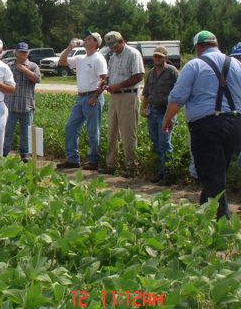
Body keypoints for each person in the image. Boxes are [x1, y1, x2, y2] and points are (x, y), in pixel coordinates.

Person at [163, 31, 241, 220]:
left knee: (212, 176)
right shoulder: (237, 65)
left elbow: (177, 97)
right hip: (235, 125)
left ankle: (222, 225)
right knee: (216, 172)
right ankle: (204, 216)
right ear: (216, 44)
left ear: (198, 48)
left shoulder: (195, 65)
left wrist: (167, 119)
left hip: (207, 126)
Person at [56, 31, 108, 171]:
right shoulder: (80, 58)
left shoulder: (98, 58)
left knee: (92, 130)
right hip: (80, 97)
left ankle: (93, 160)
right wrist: (69, 47)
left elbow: (103, 79)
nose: (85, 39)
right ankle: (72, 159)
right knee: (70, 127)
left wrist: (95, 96)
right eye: (85, 38)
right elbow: (61, 62)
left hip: (92, 97)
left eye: (88, 38)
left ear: (95, 43)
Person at [102, 31, 145, 177]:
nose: (113, 49)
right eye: (111, 47)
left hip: (128, 95)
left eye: (115, 46)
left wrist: (118, 85)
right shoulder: (113, 57)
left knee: (128, 133)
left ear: (122, 41)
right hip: (114, 96)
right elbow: (110, 75)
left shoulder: (133, 54)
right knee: (112, 131)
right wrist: (107, 83)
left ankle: (131, 166)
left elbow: (138, 76)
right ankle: (111, 164)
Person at [141, 46, 179, 185]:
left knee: (165, 142)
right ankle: (160, 172)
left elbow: (178, 93)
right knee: (155, 142)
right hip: (153, 111)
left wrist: (172, 114)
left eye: (160, 57)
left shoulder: (172, 71)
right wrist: (143, 108)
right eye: (155, 56)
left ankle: (168, 173)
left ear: (166, 58)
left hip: (165, 112)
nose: (157, 59)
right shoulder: (150, 73)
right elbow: (145, 93)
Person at [3, 42, 40, 162]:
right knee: (8, 131)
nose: (22, 54)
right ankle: (4, 152)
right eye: (20, 52)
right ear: (15, 52)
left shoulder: (33, 66)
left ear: (28, 53)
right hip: (10, 105)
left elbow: (37, 79)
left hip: (26, 105)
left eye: (24, 52)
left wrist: (24, 70)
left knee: (26, 133)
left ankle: (24, 154)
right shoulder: (8, 66)